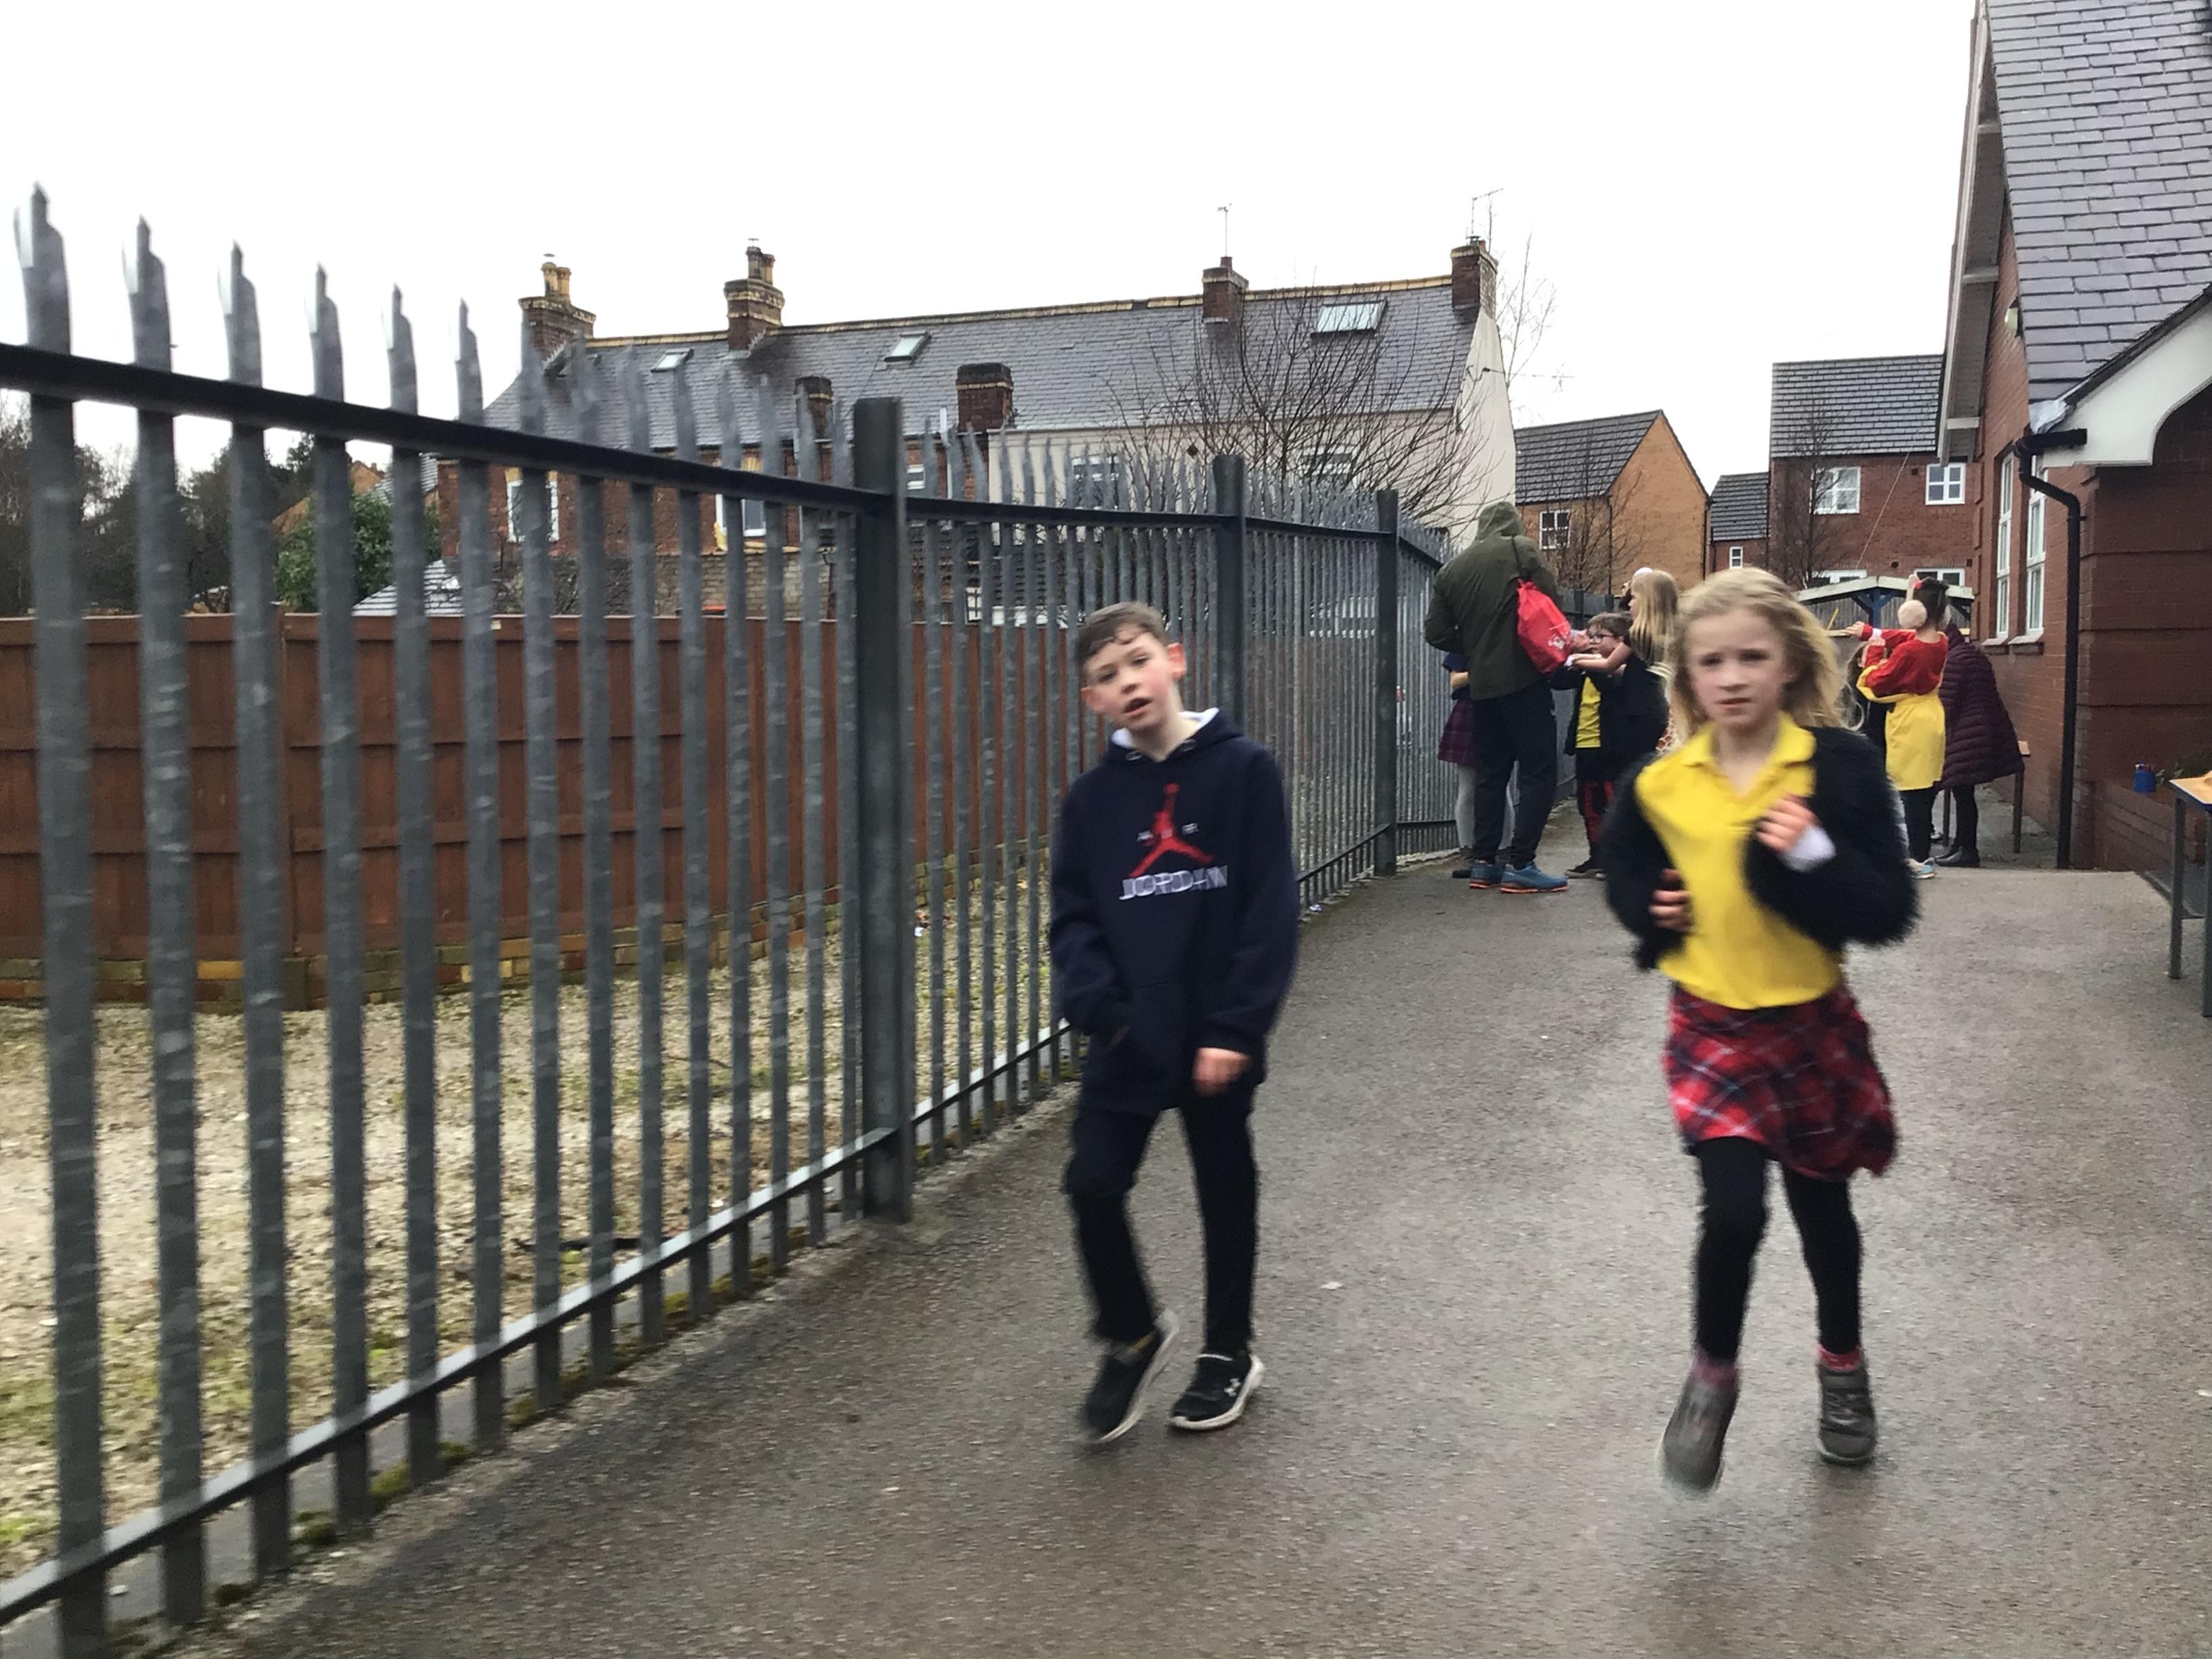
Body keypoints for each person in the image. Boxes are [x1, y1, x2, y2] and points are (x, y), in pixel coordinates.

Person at [1599, 568, 1918, 1492]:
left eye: (1751, 657)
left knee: (1824, 1213)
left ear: (1789, 664)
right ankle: (1712, 1381)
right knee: (1734, 1210)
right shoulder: (1661, 784)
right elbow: (1626, 877)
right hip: (1712, 1029)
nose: (1732, 677)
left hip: (1812, 1024)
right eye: (1711, 662)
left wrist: (1810, 854)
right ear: (1687, 676)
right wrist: (1648, 908)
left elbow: (1887, 908)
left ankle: (1843, 1370)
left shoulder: (1836, 770)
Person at [1050, 601, 1299, 1444]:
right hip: (1126, 1036)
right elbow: (1074, 919)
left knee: (1223, 1188)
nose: (1127, 682)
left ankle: (1229, 1350)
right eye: (1106, 676)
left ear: (1176, 661)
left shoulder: (1243, 772)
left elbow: (1269, 910)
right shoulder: (1091, 802)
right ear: (1092, 700)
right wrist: (1100, 1009)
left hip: (1214, 1034)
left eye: (1138, 661)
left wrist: (1238, 1028)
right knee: (1092, 1184)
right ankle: (1133, 1335)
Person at [1423, 500, 1570, 894]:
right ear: (1513, 525)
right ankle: (1521, 863)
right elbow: (1551, 602)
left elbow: (1435, 633)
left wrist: (1475, 644)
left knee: (1491, 774)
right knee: (1538, 772)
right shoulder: (1521, 550)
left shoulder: (1453, 569)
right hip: (1524, 680)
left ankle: (1484, 862)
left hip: (1482, 690)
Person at [1555, 611, 1668, 878]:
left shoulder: (1623, 669)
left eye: (1600, 637)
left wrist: (1592, 665)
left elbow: (1615, 689)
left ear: (1620, 642)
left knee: (1610, 801)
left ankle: (1616, 857)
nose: (1593, 642)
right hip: (1585, 741)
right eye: (1590, 636)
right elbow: (1558, 680)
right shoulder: (1587, 666)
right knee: (1587, 804)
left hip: (1610, 743)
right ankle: (1596, 856)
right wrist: (1575, 656)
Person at [1855, 598, 1948, 878]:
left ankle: (1916, 858)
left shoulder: (1909, 651)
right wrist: (1874, 632)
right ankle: (1922, 853)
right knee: (1925, 788)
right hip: (1931, 715)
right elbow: (1907, 635)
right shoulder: (1940, 641)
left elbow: (1878, 682)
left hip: (1910, 721)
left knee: (1911, 791)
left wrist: (1874, 651)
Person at [1933, 598, 2021, 869]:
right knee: (1964, 793)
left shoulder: (1955, 659)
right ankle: (1961, 846)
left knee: (1963, 793)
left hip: (1967, 735)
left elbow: (1944, 704)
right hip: (1982, 732)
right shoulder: (1970, 654)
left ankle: (1967, 850)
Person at [1628, 567, 1682, 753]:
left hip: (1644, 714)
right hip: (1666, 712)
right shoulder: (1679, 636)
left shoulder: (1638, 636)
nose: (1629, 604)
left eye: (1634, 598)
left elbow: (1611, 664)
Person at [1437, 651, 1479, 879]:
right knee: (1468, 787)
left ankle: (1503, 851)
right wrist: (1485, 672)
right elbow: (1455, 681)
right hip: (1470, 709)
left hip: (1500, 707)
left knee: (1500, 786)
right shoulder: (1464, 641)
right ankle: (1468, 851)